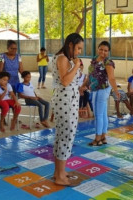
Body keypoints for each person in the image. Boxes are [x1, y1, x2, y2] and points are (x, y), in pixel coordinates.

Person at [51, 33, 84, 186]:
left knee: (62, 136)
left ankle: (59, 172)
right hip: (65, 101)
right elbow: (65, 81)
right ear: (70, 45)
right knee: (66, 137)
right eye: (78, 48)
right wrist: (76, 65)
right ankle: (59, 176)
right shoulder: (62, 58)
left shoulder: (64, 57)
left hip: (67, 100)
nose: (79, 52)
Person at [86, 41, 120, 146]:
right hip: (95, 89)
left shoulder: (108, 62)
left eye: (105, 50)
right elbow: (90, 75)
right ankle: (103, 137)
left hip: (102, 89)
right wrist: (84, 85)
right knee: (103, 114)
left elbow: (112, 78)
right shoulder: (94, 59)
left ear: (108, 52)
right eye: (101, 49)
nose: (103, 52)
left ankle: (97, 139)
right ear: (98, 49)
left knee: (98, 115)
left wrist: (116, 90)